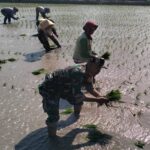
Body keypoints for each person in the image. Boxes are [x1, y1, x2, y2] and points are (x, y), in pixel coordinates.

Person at [38, 56, 109, 138]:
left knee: (78, 102)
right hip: (50, 88)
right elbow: (77, 95)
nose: (98, 71)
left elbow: (90, 89)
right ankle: (52, 138)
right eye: (97, 68)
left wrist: (101, 97)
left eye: (100, 69)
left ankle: (76, 116)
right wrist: (97, 100)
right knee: (54, 116)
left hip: (65, 87)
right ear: (90, 64)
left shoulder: (89, 74)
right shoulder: (77, 73)